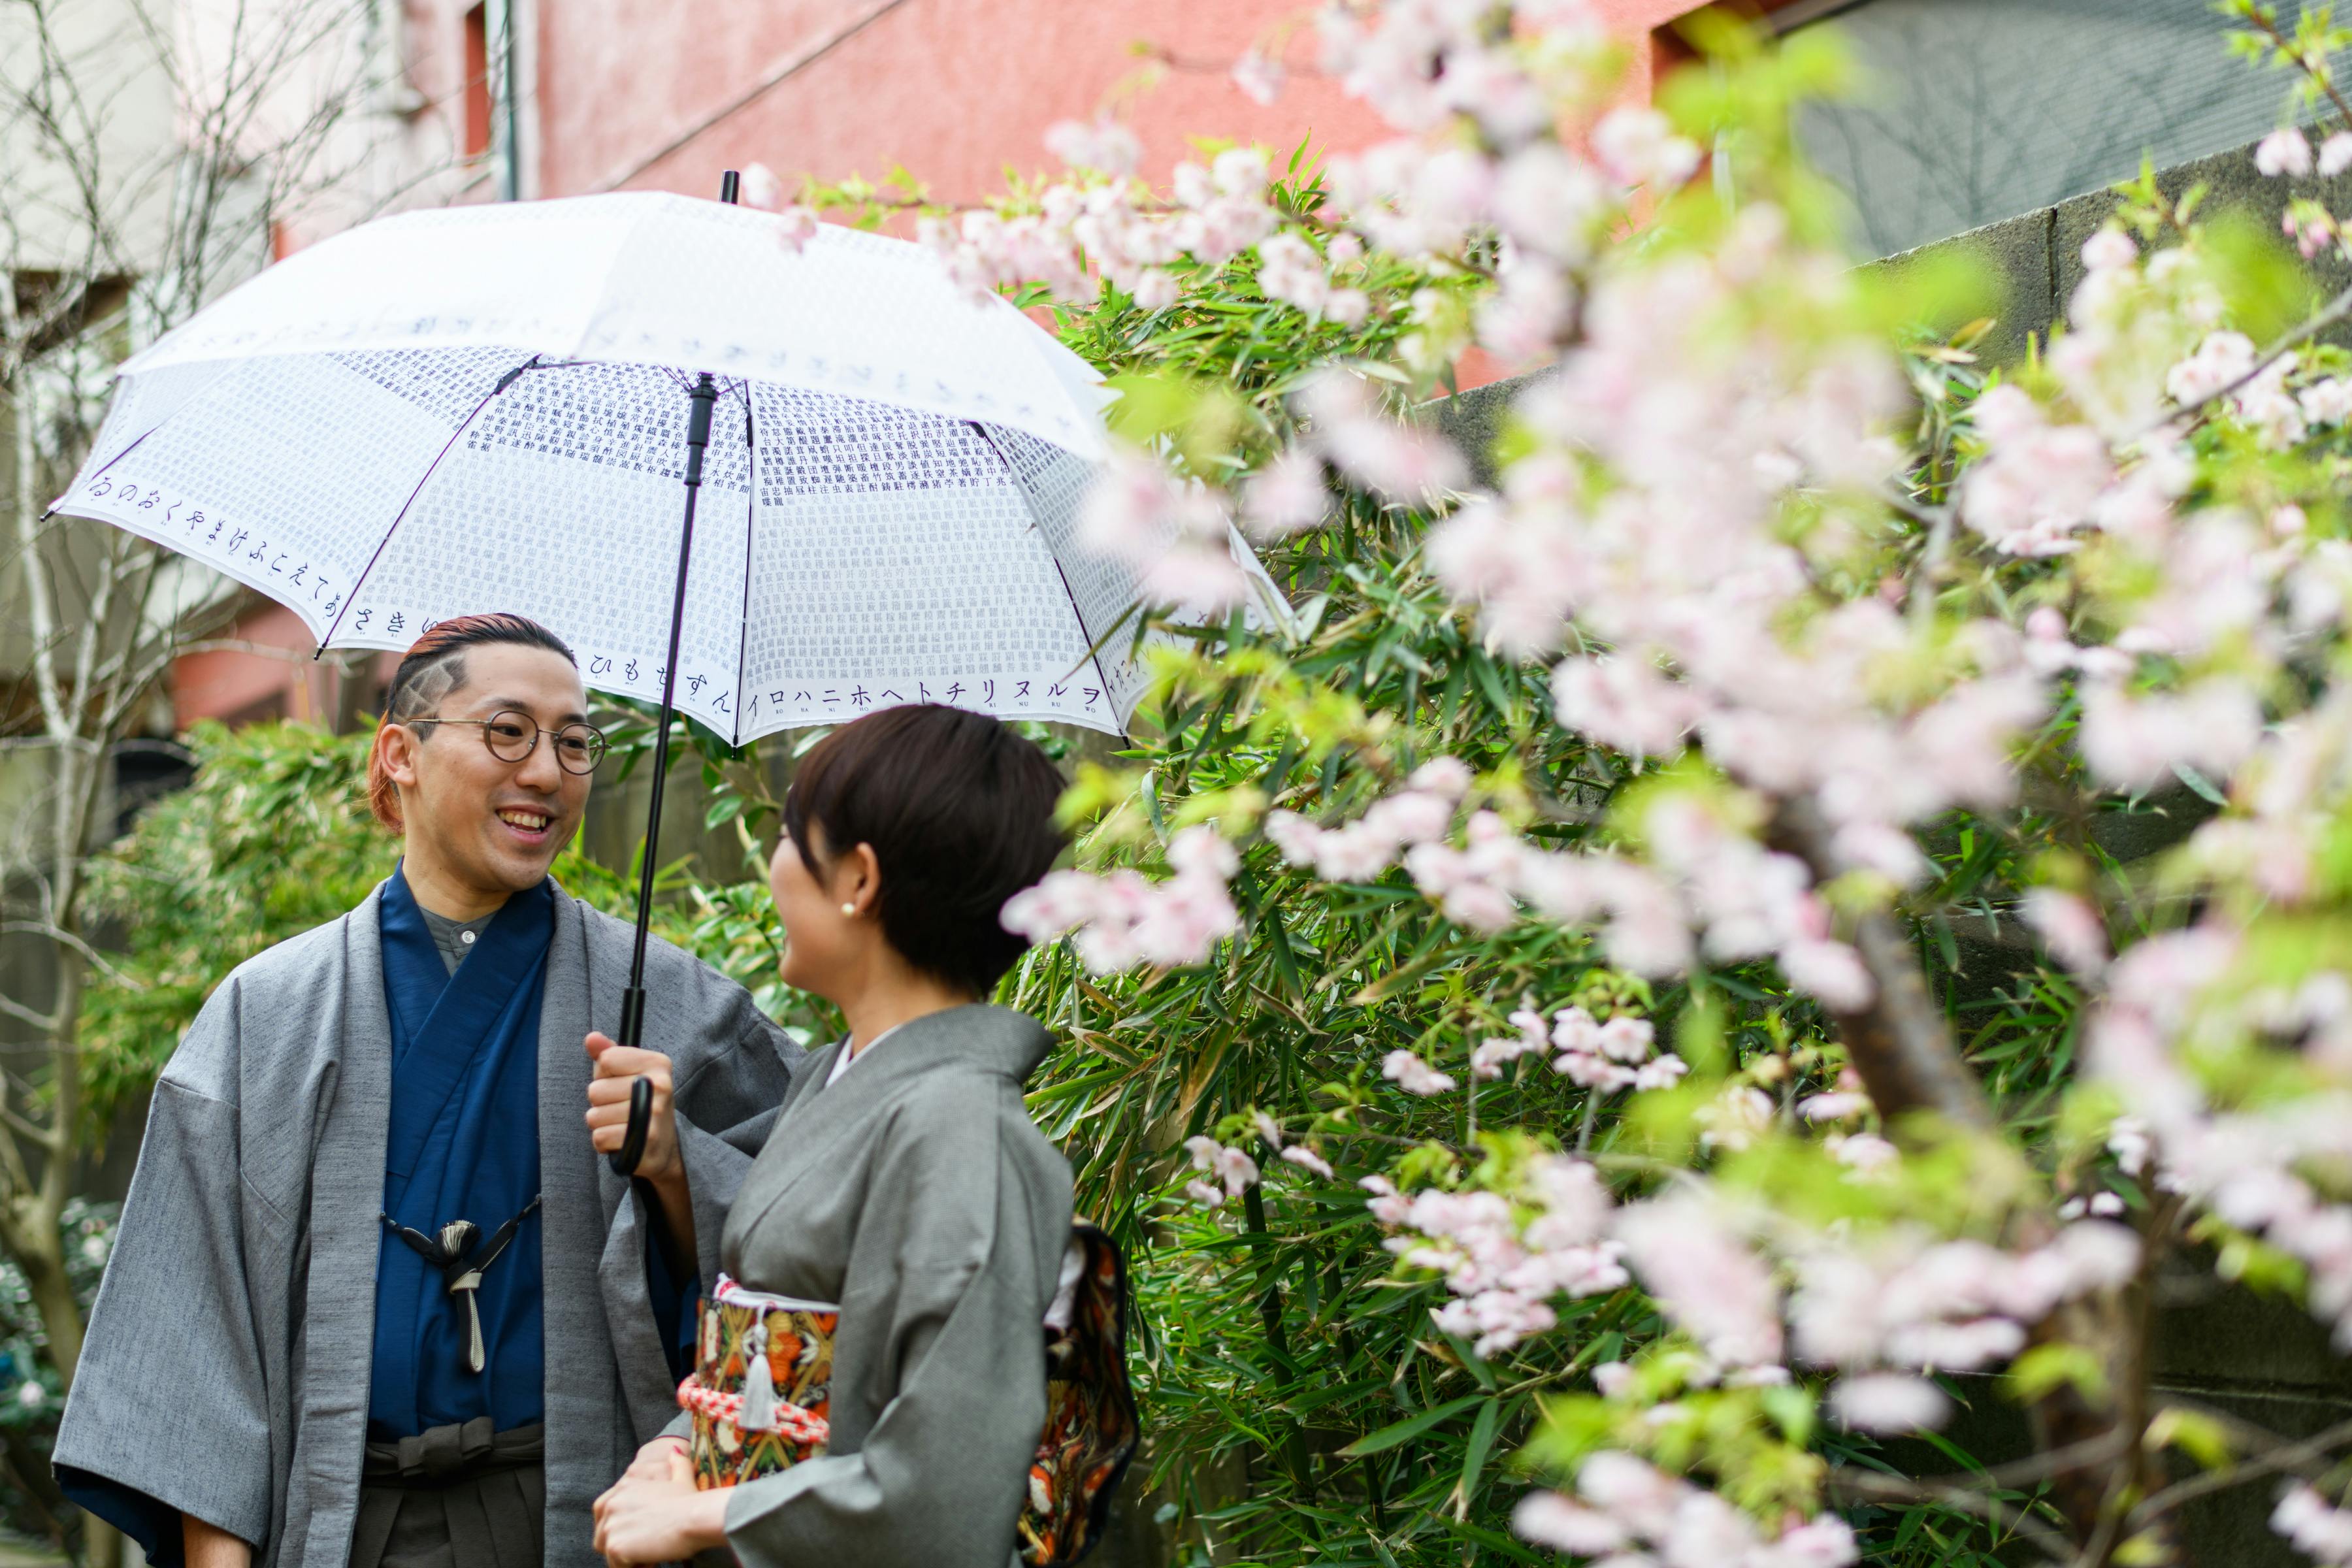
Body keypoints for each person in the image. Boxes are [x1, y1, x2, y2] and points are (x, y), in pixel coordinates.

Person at [54, 613, 798, 1568]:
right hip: (337, 1520)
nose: (545, 772)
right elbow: (199, 1338)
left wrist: (676, 1167)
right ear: (401, 752)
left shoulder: (672, 1002)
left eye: (574, 742)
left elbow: (807, 1264)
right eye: (507, 731)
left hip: (579, 1518)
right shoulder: (266, 1015)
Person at [589, 703, 1075, 1568]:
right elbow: (755, 1340)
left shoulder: (967, 1132)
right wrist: (677, 1452)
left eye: (787, 834)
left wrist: (705, 1516)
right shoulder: (836, 1079)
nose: (773, 863)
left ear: (857, 879)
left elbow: (946, 1488)